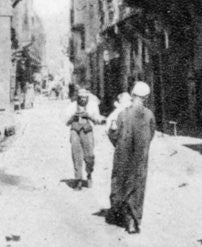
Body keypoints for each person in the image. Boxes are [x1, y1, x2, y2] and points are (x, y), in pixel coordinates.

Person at [107, 81, 156, 233]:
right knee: (138, 185)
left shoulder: (122, 114)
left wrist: (119, 146)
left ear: (133, 95)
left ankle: (120, 213)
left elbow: (113, 134)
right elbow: (151, 134)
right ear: (146, 97)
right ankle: (134, 220)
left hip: (122, 155)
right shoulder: (149, 115)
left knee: (121, 182)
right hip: (140, 157)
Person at [65, 85, 101, 189]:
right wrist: (73, 117)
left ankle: (89, 174)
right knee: (76, 155)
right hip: (75, 131)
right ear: (77, 97)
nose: (83, 100)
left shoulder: (93, 105)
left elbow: (98, 120)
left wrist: (89, 116)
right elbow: (66, 122)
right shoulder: (72, 106)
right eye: (81, 98)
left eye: (85, 98)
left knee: (89, 156)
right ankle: (78, 179)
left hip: (87, 131)